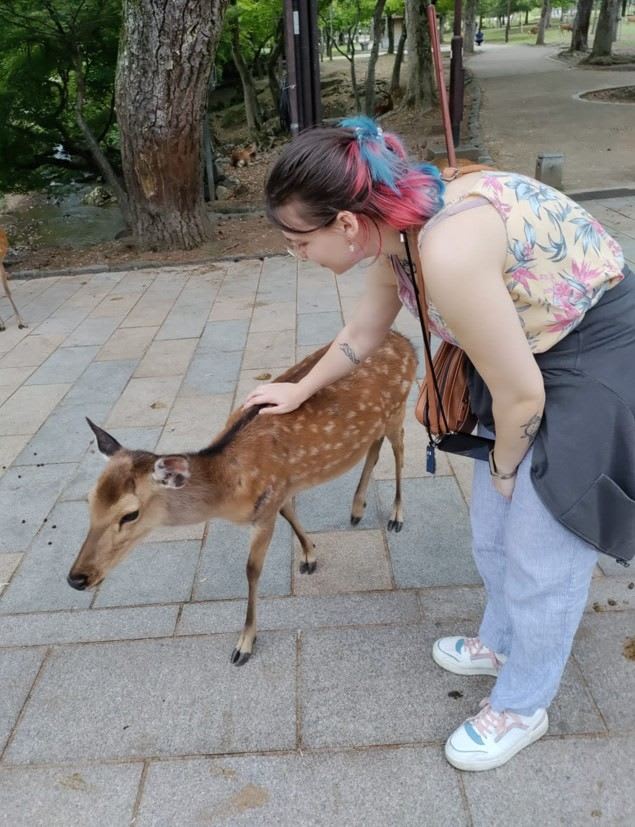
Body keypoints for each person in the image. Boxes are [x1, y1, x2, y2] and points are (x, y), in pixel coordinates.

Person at [243, 116, 633, 771]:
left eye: (295, 242)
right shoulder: (388, 229)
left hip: (591, 349)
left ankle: (522, 703)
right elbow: (362, 334)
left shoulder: (446, 250)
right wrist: (298, 389)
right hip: (524, 350)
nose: (296, 256)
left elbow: (523, 399)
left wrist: (507, 463)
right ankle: (503, 639)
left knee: (541, 542)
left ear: (342, 223)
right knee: (490, 526)